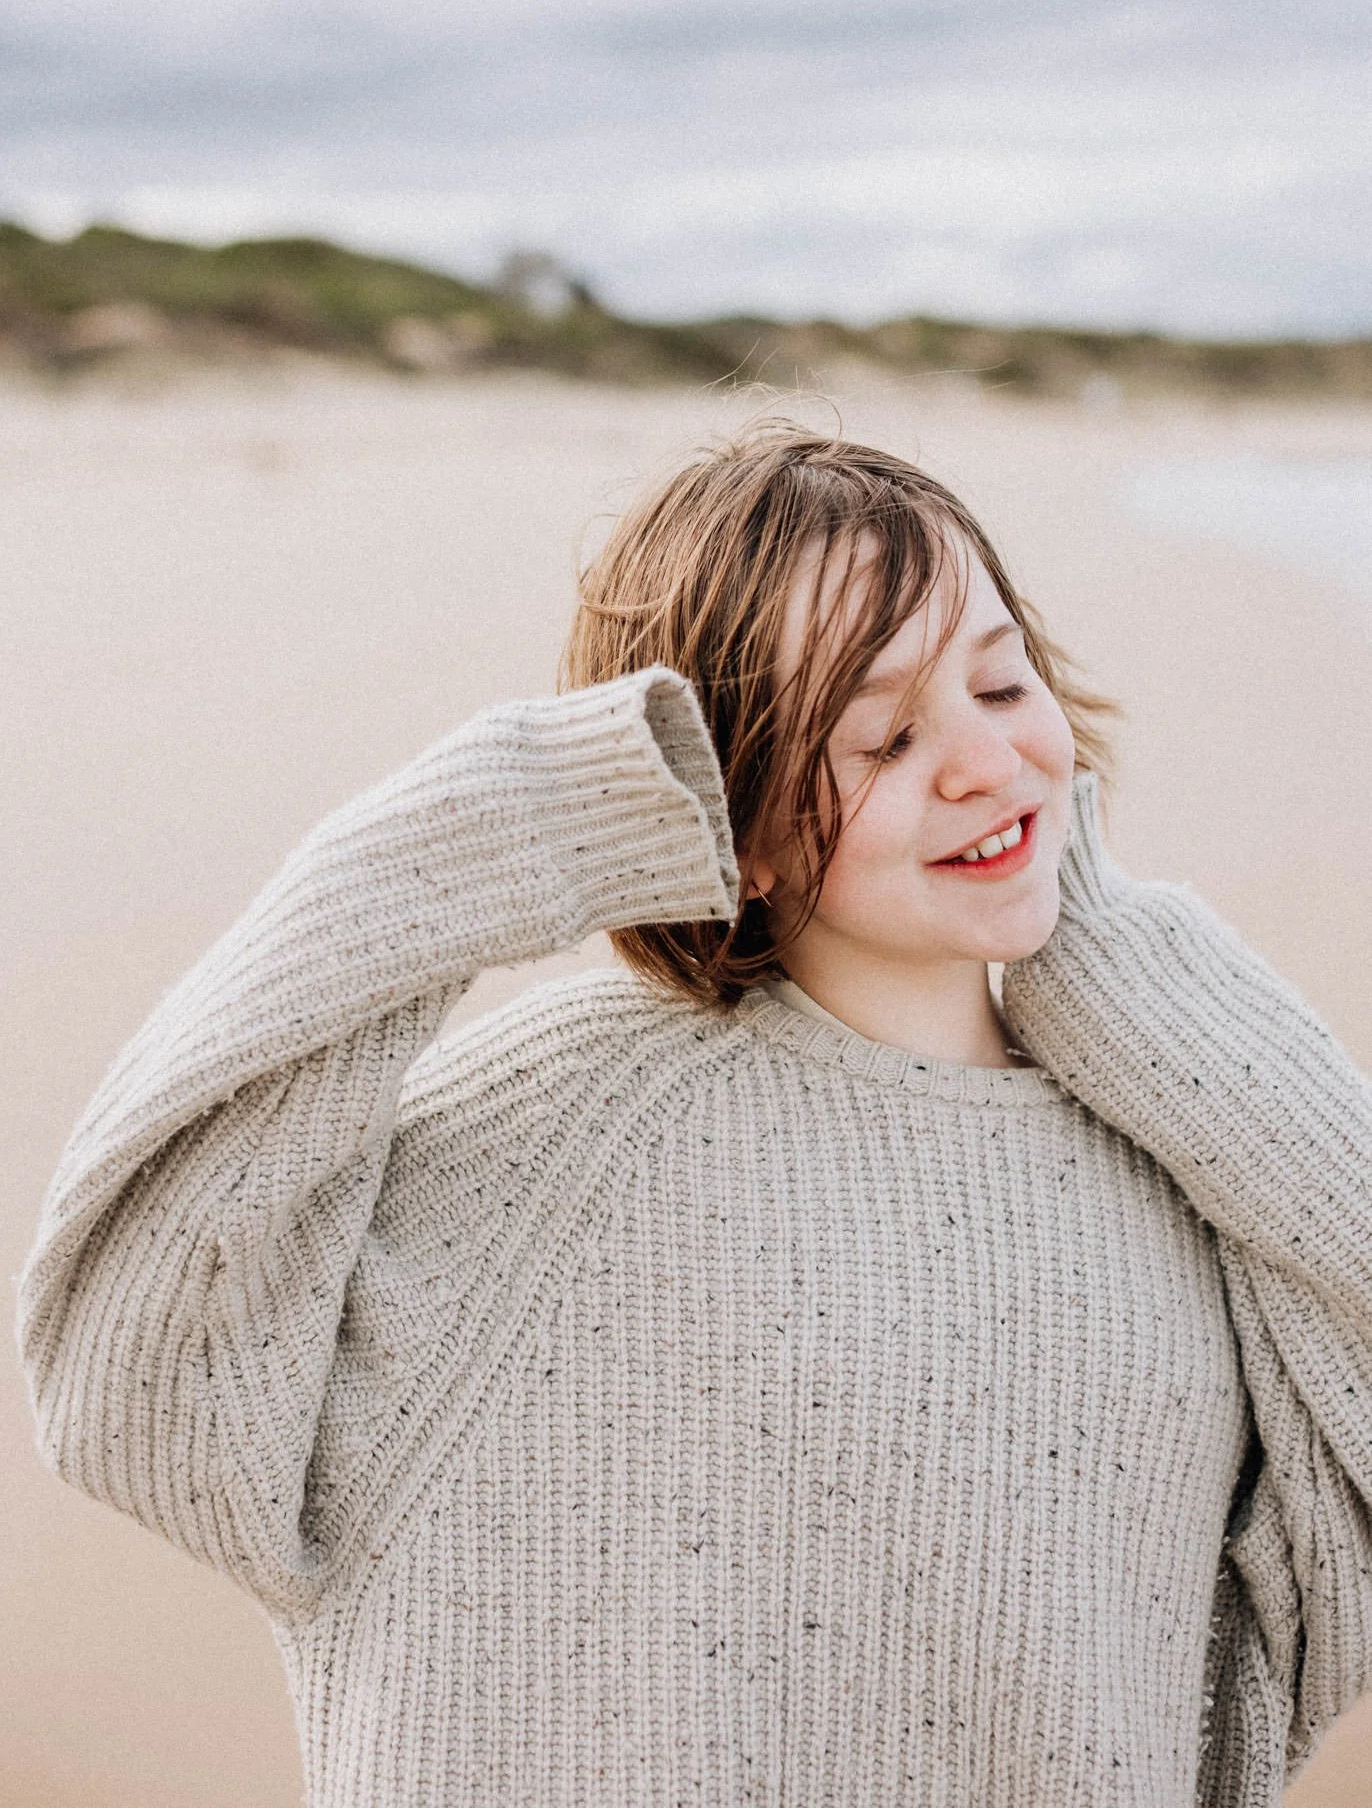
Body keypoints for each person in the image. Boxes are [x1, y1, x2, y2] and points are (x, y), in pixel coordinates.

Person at [18, 423, 1372, 1808]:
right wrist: (538, 816)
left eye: (1002, 677)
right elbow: (142, 1368)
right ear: (735, 811)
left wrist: (1132, 972)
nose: (985, 760)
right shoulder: (552, 1137)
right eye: (885, 733)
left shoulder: (1178, 1166)